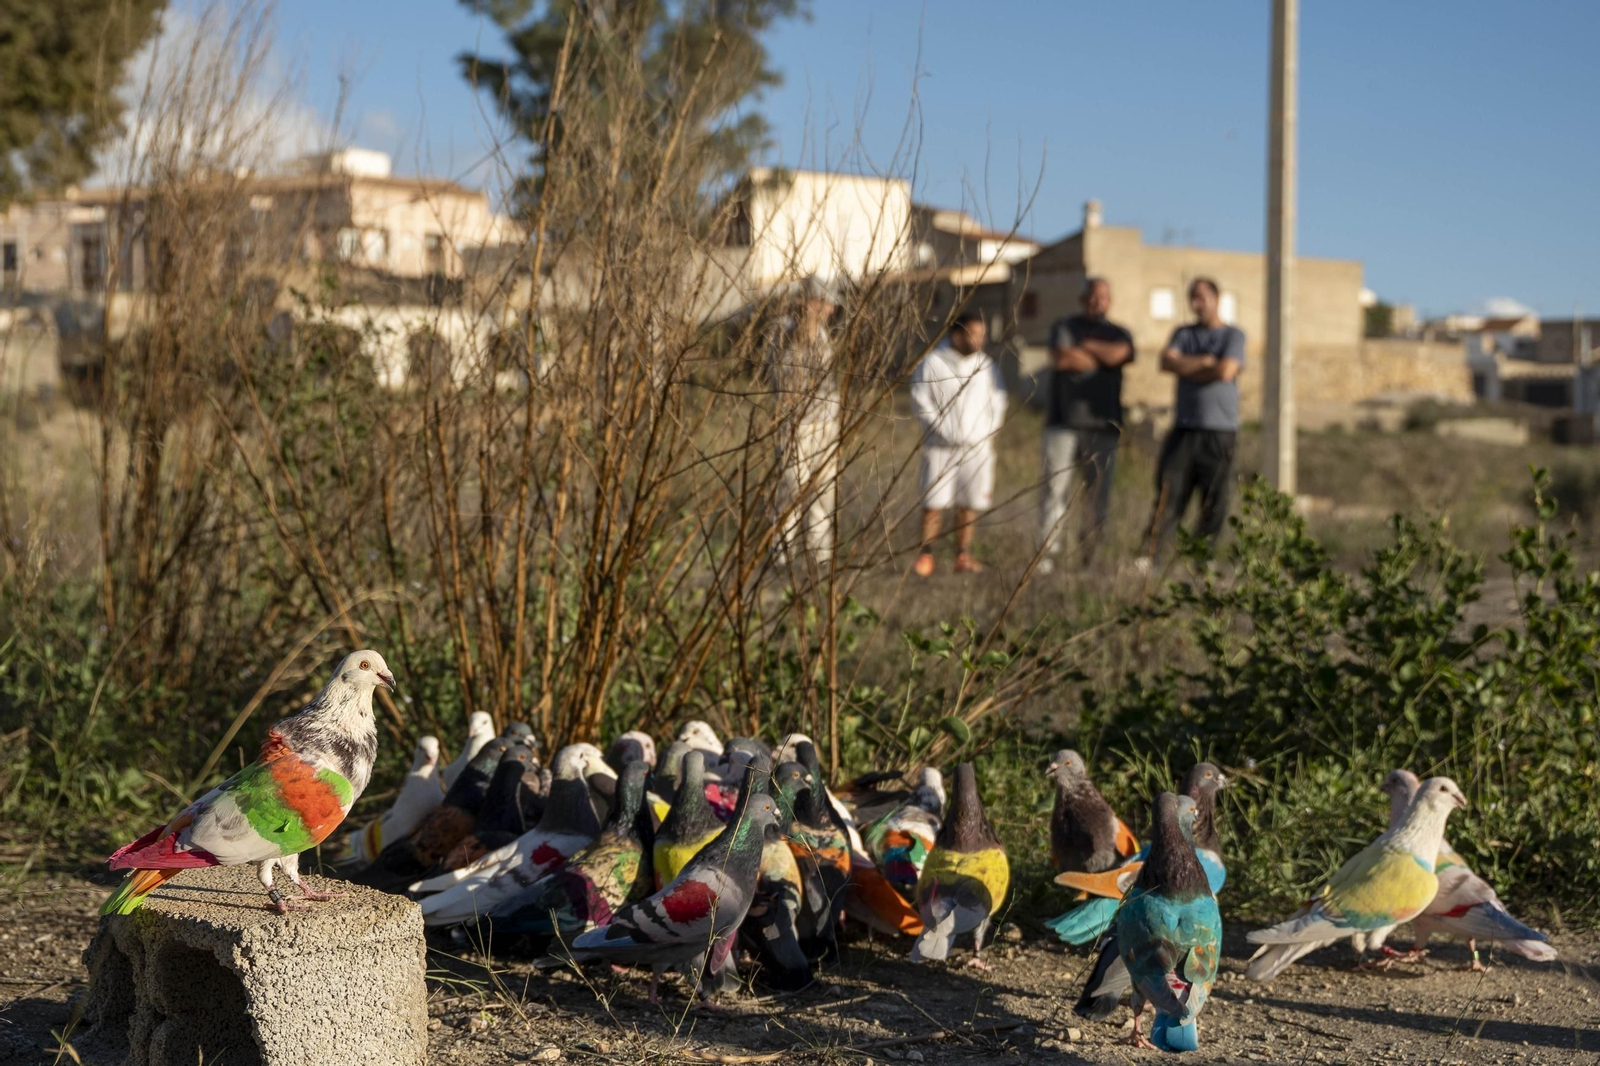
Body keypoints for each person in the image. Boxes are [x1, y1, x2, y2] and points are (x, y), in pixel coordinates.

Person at [1137, 277, 1245, 570]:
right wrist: (1205, 363)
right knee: (1170, 492)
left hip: (1220, 431)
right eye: (1192, 298)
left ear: (1216, 298)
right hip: (1184, 428)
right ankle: (1151, 556)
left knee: (1215, 500)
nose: (1197, 304)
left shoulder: (1233, 336)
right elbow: (1167, 363)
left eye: (1202, 297)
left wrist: (1190, 367)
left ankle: (1201, 560)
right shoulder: (1183, 333)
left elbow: (1225, 371)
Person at [1039, 277, 1134, 572]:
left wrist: (1087, 347)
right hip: (1063, 424)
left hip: (1104, 427)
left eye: (1104, 296)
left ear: (1111, 300)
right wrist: (1102, 358)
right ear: (1083, 299)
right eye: (1094, 295)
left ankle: (1089, 556)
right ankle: (1048, 556)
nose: (1099, 301)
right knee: (1055, 490)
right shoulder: (1064, 326)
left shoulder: (1120, 332)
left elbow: (1121, 354)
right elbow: (1063, 360)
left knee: (1098, 494)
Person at [909, 311, 1007, 576]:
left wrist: (984, 433)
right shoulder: (933, 363)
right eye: (973, 334)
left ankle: (962, 556)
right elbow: (920, 399)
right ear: (957, 335)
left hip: (976, 449)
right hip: (940, 447)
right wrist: (943, 430)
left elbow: (998, 404)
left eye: (981, 335)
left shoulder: (986, 366)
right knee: (934, 503)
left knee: (969, 503)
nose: (979, 340)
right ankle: (926, 556)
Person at [768, 275, 842, 565]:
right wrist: (808, 316)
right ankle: (782, 555)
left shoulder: (824, 333)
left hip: (826, 424)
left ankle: (820, 555)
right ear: (813, 303)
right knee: (791, 490)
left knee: (824, 491)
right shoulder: (785, 328)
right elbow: (797, 347)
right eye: (827, 304)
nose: (832, 310)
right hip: (795, 425)